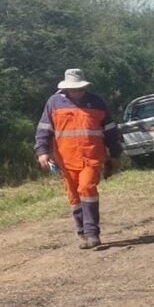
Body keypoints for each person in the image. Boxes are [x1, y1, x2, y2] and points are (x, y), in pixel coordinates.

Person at [34, 69, 123, 250]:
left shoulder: (97, 102)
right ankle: (82, 231)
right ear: (66, 88)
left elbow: (110, 131)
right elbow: (44, 129)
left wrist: (115, 155)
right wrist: (42, 151)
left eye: (80, 89)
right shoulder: (54, 103)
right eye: (74, 89)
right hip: (66, 160)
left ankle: (92, 233)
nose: (77, 92)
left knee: (87, 188)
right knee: (74, 195)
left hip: (91, 157)